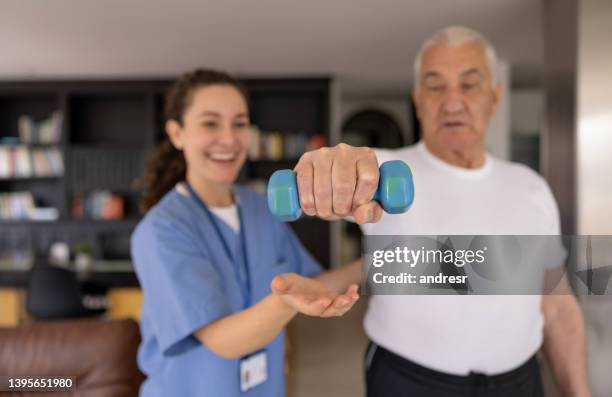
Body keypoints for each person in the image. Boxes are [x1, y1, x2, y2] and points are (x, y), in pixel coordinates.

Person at [287, 26, 591, 396]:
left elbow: (557, 305)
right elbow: (352, 168)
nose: (451, 102)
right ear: (418, 101)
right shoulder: (385, 171)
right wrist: (335, 166)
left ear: (494, 97)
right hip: (409, 381)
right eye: (435, 86)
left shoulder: (531, 186)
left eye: (469, 84)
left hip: (520, 382)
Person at [130, 69, 360, 397]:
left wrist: (391, 260)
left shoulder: (260, 206)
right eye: (210, 123)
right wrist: (286, 302)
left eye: (239, 123)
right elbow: (223, 339)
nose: (229, 138)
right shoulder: (160, 230)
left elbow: (312, 284)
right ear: (177, 133)